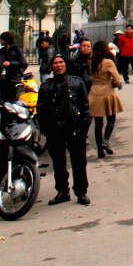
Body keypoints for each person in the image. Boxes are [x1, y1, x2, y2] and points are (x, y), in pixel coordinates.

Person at [36, 53, 91, 205]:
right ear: (52, 67)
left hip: (74, 128)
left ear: (65, 64)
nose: (59, 65)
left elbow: (85, 107)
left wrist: (84, 126)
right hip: (55, 130)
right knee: (59, 164)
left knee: (79, 163)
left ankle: (81, 192)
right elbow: (40, 110)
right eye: (56, 63)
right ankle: (62, 191)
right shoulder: (46, 87)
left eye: (61, 62)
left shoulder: (77, 83)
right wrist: (45, 129)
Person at [89, 41, 124, 158]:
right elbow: (117, 79)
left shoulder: (91, 62)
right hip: (107, 91)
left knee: (98, 124)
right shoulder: (108, 62)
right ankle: (105, 140)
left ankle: (100, 150)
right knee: (111, 119)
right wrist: (115, 84)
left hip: (94, 92)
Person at [0, 30, 28, 101]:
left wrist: (10, 63)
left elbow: (23, 63)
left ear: (6, 40)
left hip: (14, 78)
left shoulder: (16, 49)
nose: (0, 41)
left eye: (1, 39)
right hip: (5, 77)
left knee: (12, 98)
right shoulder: (2, 50)